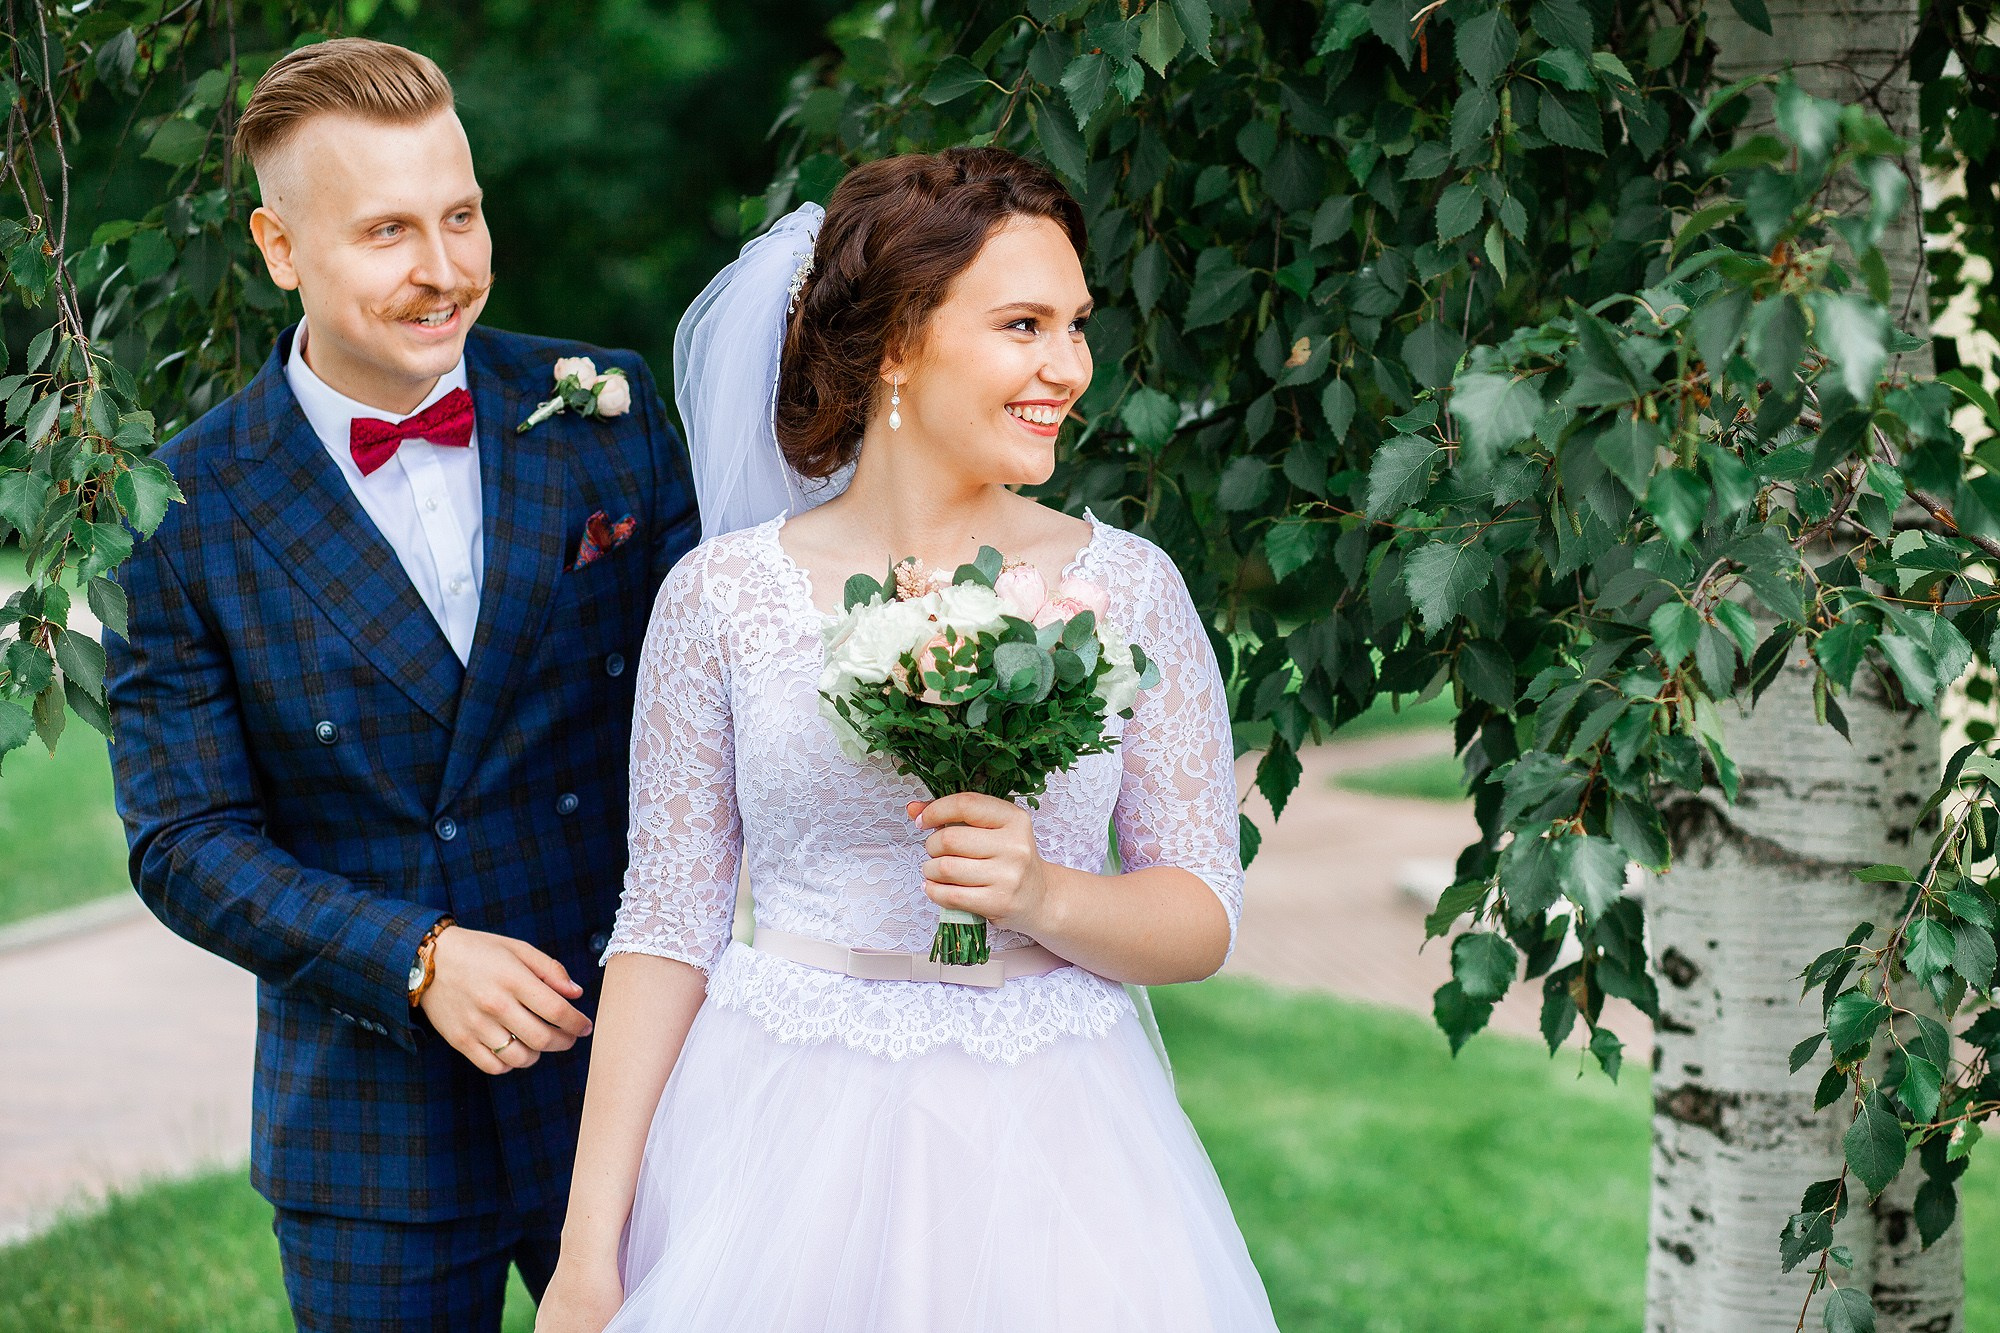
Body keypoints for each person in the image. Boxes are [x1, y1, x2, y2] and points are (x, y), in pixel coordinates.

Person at [536, 148, 1279, 1332]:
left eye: (1075, 326)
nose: (1066, 368)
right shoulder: (719, 598)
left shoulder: (1128, 588)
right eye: (1023, 324)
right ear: (893, 343)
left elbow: (1201, 913)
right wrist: (587, 1254)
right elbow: (666, 925)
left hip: (1062, 1138)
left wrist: (1041, 893)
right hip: (782, 1130)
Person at [102, 38, 698, 1332]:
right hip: (370, 1137)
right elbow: (184, 842)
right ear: (278, 249)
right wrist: (415, 957)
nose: (445, 272)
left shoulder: (604, 410)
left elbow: (705, 708)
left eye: (463, 215)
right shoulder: (181, 514)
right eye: (386, 232)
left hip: (626, 1085)